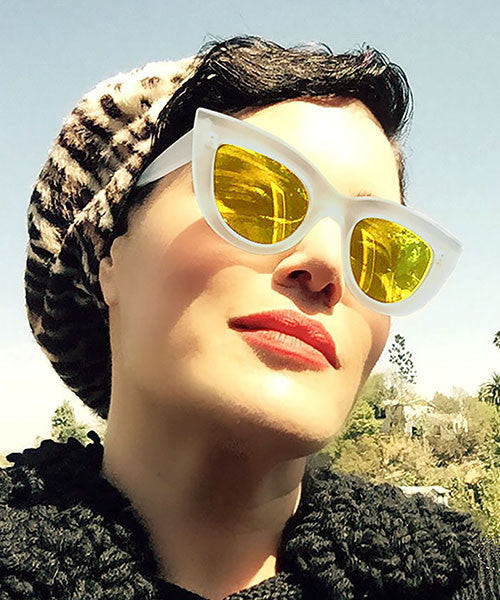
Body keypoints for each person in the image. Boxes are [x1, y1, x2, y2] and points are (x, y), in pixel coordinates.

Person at [1, 35, 499, 599]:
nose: (327, 264)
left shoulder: (457, 581)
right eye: (254, 197)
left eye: (380, 251)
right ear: (107, 256)